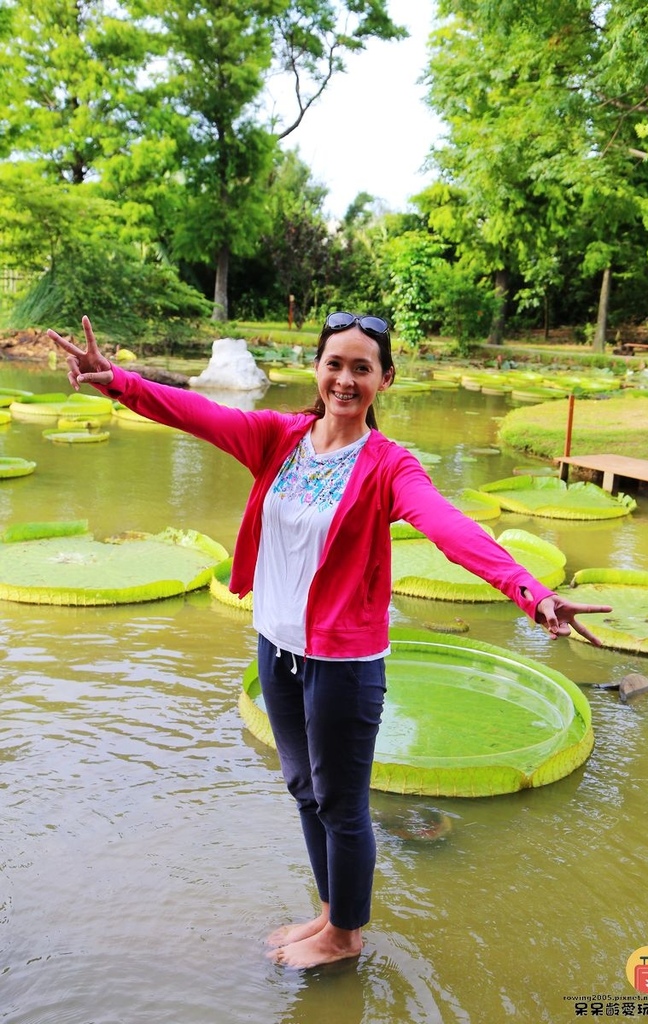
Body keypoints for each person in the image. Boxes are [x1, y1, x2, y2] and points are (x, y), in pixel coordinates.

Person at [48, 313, 612, 971]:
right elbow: (194, 412)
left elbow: (450, 528)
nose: (345, 379)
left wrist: (530, 591)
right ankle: (327, 915)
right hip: (277, 648)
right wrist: (114, 381)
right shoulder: (277, 438)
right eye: (334, 364)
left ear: (384, 380)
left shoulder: (387, 466)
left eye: (361, 368)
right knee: (302, 788)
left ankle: (346, 936)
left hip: (343, 663)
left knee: (342, 806)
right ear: (317, 370)